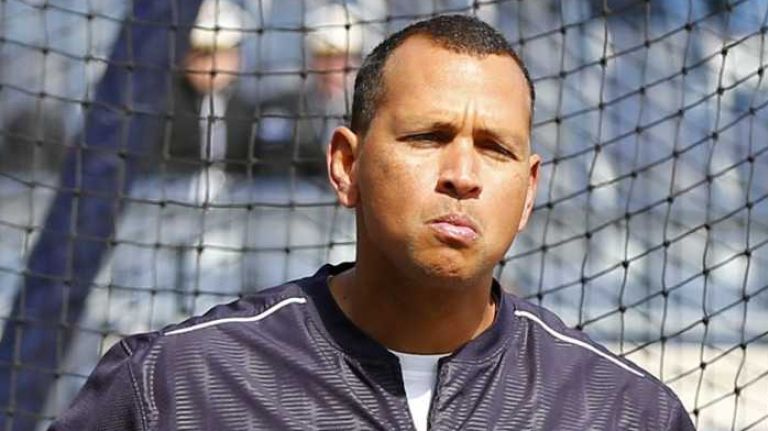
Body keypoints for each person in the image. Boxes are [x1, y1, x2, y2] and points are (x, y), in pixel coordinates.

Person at [50, 15, 695, 431]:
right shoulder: (176, 387)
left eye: (494, 149)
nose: (463, 174)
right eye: (427, 137)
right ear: (345, 165)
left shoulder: (623, 411)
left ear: (528, 193)